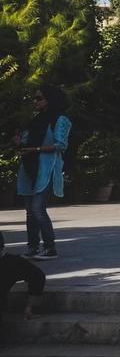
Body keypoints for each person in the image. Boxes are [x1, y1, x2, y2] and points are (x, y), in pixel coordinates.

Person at [14, 85, 70, 259]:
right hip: (29, 168)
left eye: (40, 98)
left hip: (46, 168)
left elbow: (61, 145)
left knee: (38, 208)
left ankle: (50, 247)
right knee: (30, 210)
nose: (36, 102)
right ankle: (33, 247)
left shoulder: (60, 119)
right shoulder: (36, 120)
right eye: (35, 98)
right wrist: (18, 142)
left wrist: (36, 149)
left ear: (50, 99)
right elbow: (26, 142)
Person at [0, 231, 44, 322]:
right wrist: (29, 306)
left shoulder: (12, 263)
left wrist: (29, 306)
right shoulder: (12, 262)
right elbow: (38, 277)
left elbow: (37, 277)